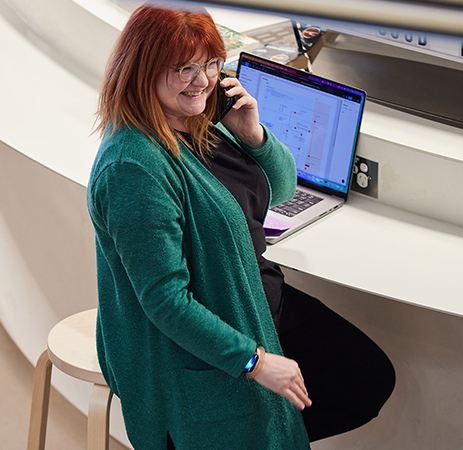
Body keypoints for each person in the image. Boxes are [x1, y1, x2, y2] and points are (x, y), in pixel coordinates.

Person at [87, 4, 395, 449]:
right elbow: (166, 302)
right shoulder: (133, 169)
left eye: (212, 64)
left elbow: (283, 188)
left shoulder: (203, 119)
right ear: (142, 70)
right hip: (213, 330)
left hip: (254, 298)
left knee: (367, 379)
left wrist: (253, 134)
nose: (203, 80)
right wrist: (256, 362)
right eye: (185, 68)